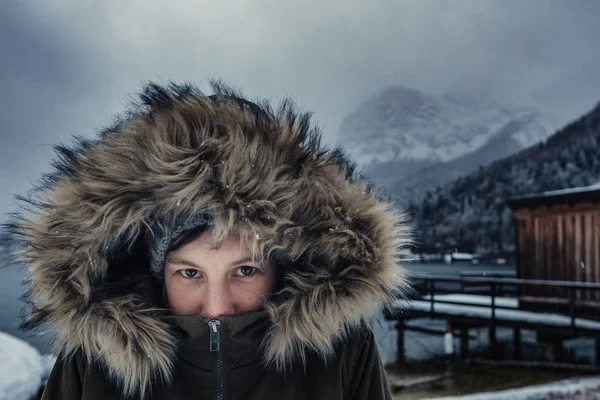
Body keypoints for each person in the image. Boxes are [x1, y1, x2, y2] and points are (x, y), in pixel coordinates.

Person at [5, 80, 412, 399]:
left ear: (285, 269)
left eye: (246, 270)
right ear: (155, 271)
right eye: (188, 272)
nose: (216, 308)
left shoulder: (341, 352)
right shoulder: (93, 360)